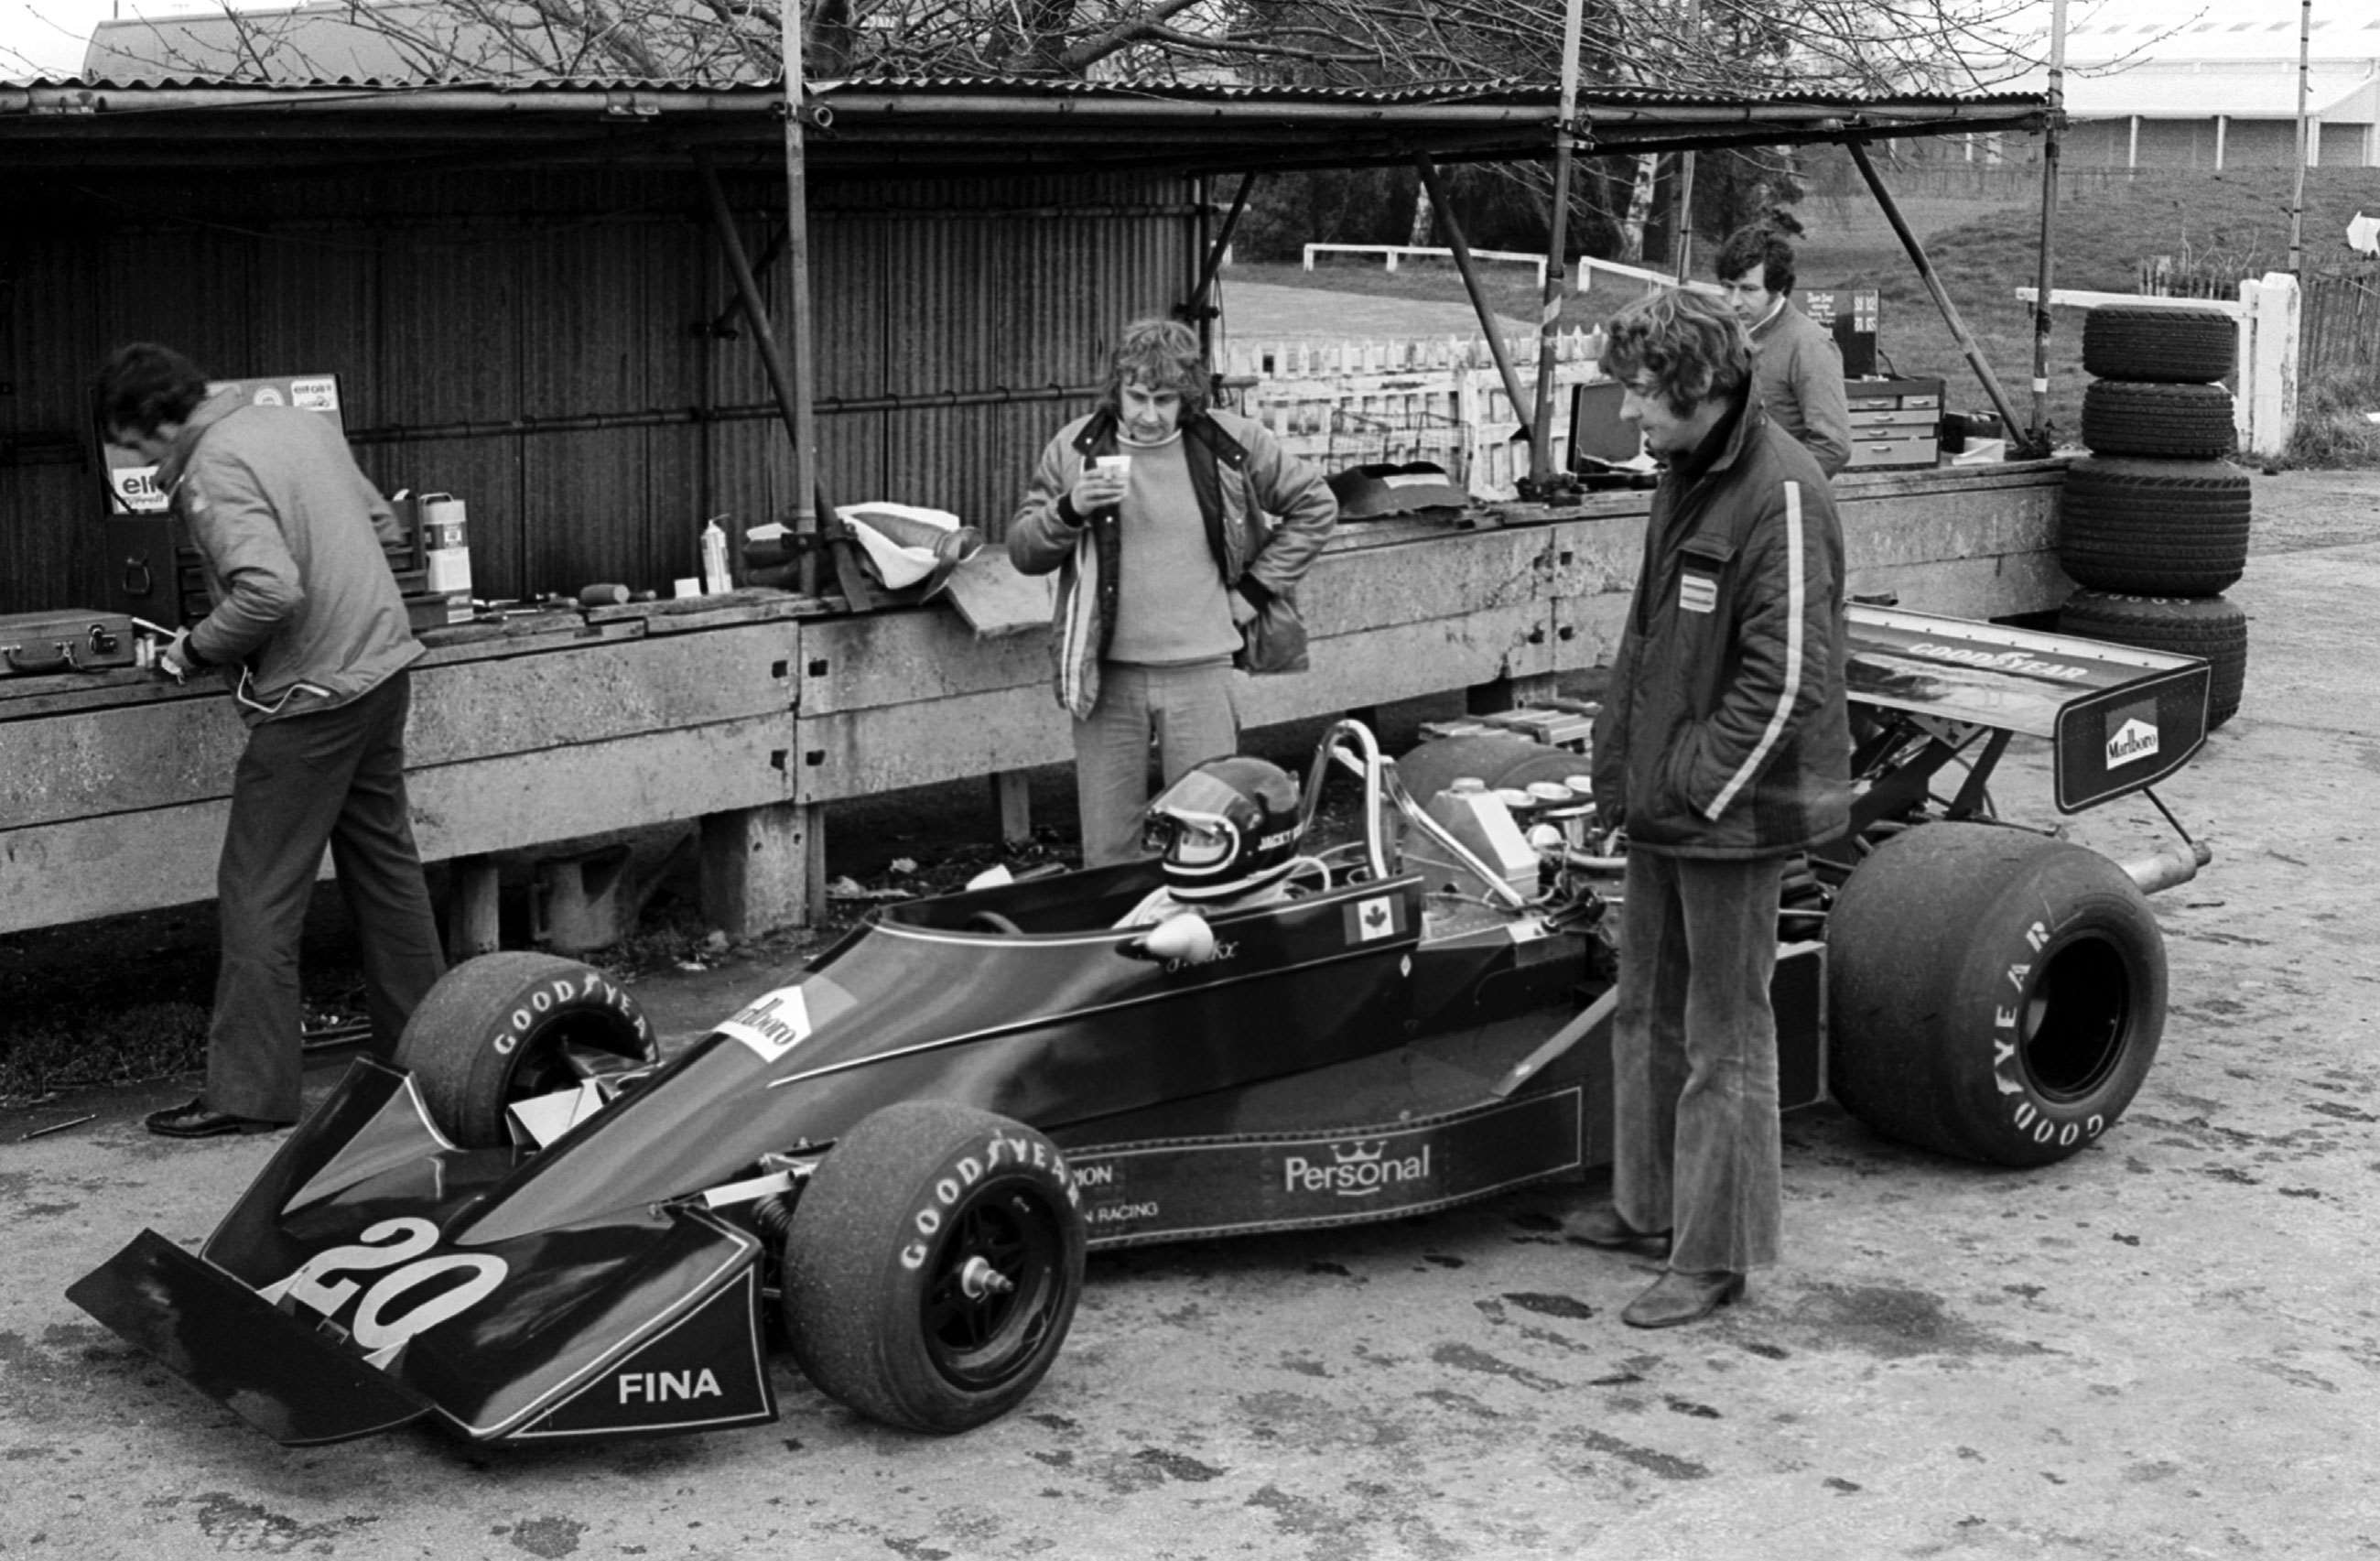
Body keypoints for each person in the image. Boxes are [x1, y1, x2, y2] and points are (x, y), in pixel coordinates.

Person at [1572, 289, 1852, 1328]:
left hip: (1732, 814)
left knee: (1724, 1037)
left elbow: (1786, 680)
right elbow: (1648, 643)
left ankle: (1715, 1254)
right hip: (1667, 798)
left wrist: (1694, 788)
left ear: (1700, 388)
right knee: (1644, 1007)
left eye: (1643, 393)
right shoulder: (1683, 474)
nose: (1629, 413)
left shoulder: (1782, 492)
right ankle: (1648, 1207)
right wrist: (1616, 777)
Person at [97, 343, 447, 1139]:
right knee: (387, 873)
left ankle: (248, 1094)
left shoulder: (212, 467)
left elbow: (270, 591)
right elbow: (381, 523)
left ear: (154, 422)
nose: (143, 464)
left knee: (259, 891)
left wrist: (191, 650)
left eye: (137, 445)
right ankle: (431, 1057)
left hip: (312, 698)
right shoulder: (293, 423)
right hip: (381, 669)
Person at [1010, 318, 1336, 868]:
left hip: (1201, 671)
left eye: (1164, 400)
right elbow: (1024, 551)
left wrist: (1254, 592)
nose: (1148, 414)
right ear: (1116, 388)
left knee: (1212, 840)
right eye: (1137, 396)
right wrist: (1070, 508)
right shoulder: (1076, 446)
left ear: (1188, 397)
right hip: (1105, 675)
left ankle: (1202, 924)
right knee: (1107, 851)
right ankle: (1120, 925)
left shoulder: (1232, 442)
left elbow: (1316, 506)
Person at [1713, 226, 1853, 479]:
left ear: (1778, 288)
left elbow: (1832, 447)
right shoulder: (1724, 336)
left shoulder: (1810, 345)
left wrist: (1774, 489)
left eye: (1748, 289)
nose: (1734, 301)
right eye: (1728, 287)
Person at [1115, 755, 1307, 928]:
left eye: (1207, 838)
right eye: (1185, 835)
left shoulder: (1296, 926)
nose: (1187, 849)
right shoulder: (1164, 901)